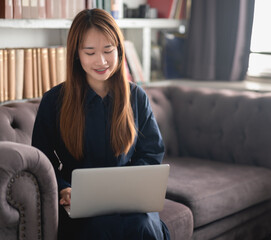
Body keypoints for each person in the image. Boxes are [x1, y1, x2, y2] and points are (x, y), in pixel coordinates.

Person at [31, 8, 170, 240]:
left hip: (129, 200)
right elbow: (41, 157)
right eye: (90, 52)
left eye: (108, 50)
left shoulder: (136, 96)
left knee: (143, 225)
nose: (102, 61)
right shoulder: (54, 101)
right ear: (76, 54)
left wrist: (130, 187)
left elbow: (152, 151)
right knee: (97, 229)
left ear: (119, 49)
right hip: (80, 203)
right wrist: (63, 187)